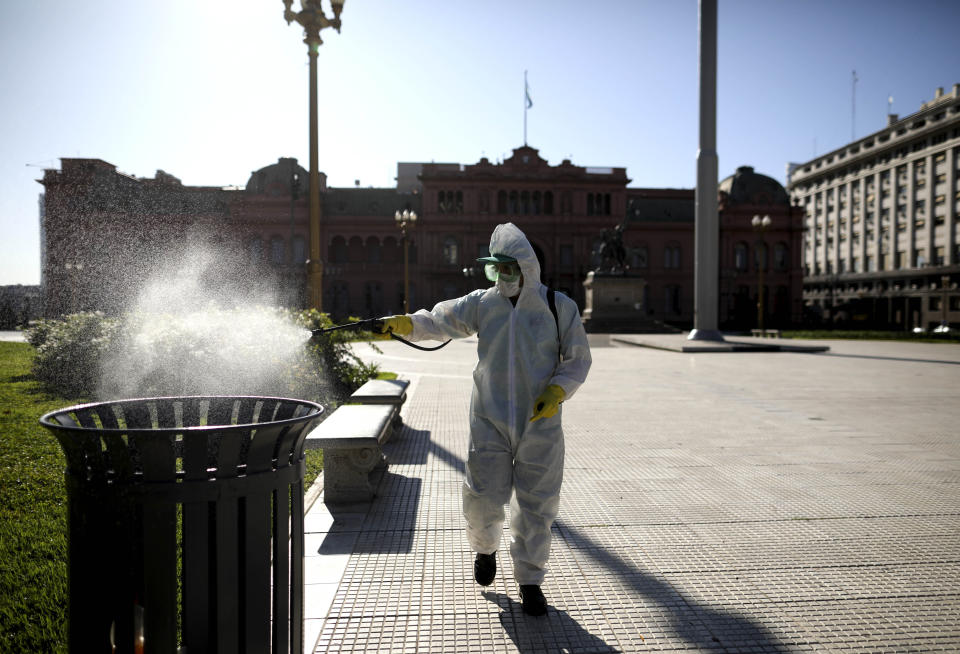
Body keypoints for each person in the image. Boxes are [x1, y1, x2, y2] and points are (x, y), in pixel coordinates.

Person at [380, 222, 591, 616]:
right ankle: (485, 549)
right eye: (495, 270)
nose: (500, 277)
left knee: (537, 503)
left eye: (506, 269)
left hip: (539, 421)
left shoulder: (558, 306)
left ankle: (530, 581)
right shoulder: (483, 302)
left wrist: (558, 390)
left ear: (526, 268)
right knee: (482, 496)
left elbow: (578, 358)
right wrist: (409, 323)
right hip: (490, 417)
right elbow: (441, 320)